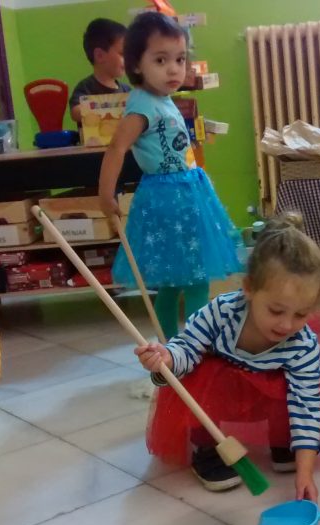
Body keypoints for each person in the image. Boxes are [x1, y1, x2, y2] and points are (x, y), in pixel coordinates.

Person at [135, 213, 320, 498]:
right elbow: (187, 347)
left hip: (267, 395)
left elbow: (307, 406)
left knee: (292, 392)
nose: (287, 325)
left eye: (300, 314)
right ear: (249, 289)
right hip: (221, 392)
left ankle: (283, 441)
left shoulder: (303, 345)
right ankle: (208, 449)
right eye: (276, 310)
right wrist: (166, 359)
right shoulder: (222, 312)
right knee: (199, 378)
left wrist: (306, 473)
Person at [97, 12, 240, 340]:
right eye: (161, 60)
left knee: (175, 281)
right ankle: (193, 347)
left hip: (185, 194)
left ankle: (170, 346)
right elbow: (117, 147)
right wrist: (105, 194)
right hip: (170, 199)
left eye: (180, 59)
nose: (174, 69)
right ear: (136, 65)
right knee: (195, 279)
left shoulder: (160, 99)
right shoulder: (142, 107)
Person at [69, 18, 132, 125]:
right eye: (122, 54)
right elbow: (75, 112)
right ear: (100, 56)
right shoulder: (86, 87)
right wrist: (106, 110)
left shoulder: (126, 90)